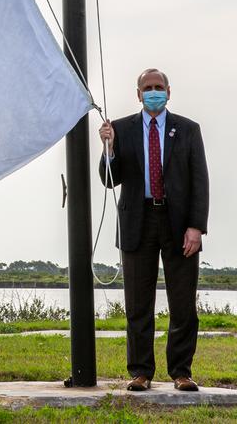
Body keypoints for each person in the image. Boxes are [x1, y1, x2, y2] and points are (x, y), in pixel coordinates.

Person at [98, 68, 209, 392]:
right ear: (138, 94)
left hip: (178, 223)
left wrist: (196, 227)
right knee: (137, 303)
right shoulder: (120, 129)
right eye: (148, 88)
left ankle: (181, 372)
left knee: (183, 304)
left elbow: (199, 181)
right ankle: (141, 372)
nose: (154, 91)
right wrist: (109, 149)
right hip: (137, 220)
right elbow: (109, 179)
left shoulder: (188, 130)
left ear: (169, 92)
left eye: (159, 87)